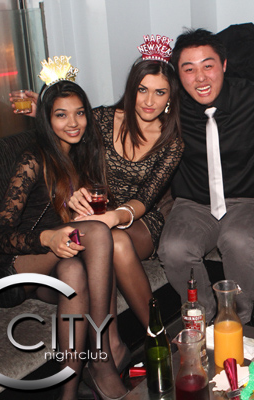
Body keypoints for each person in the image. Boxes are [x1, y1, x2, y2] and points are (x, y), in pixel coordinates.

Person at [0, 60, 129, 400]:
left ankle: (67, 393)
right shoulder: (33, 159)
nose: (73, 123)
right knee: (98, 233)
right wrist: (48, 237)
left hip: (53, 270)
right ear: (47, 120)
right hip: (13, 270)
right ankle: (102, 356)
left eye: (79, 113)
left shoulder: (83, 157)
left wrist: (84, 214)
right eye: (61, 115)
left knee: (73, 273)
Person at [157, 28, 254, 324]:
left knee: (238, 241)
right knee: (174, 248)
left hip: (246, 201)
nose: (200, 78)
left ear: (223, 65)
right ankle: (203, 319)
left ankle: (236, 322)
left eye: (208, 66)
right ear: (178, 74)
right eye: (189, 69)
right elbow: (124, 112)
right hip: (193, 203)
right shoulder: (170, 105)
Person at [68, 35, 184, 330]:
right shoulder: (101, 119)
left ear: (170, 98)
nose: (149, 101)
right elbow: (65, 140)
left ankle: (153, 333)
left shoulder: (172, 142)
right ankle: (149, 336)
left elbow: (147, 198)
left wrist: (115, 217)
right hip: (95, 215)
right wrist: (42, 113)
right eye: (142, 89)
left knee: (116, 240)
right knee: (109, 240)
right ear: (132, 89)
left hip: (141, 221)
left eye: (160, 92)